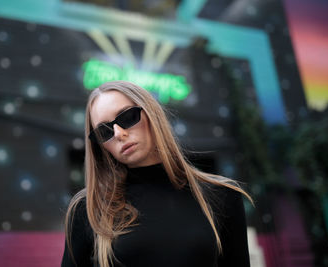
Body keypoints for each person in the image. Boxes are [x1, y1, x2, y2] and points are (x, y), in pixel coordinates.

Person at [61, 80, 253, 267]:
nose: (119, 133)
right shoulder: (89, 209)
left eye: (127, 117)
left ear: (151, 114)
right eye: (104, 131)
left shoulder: (223, 195)